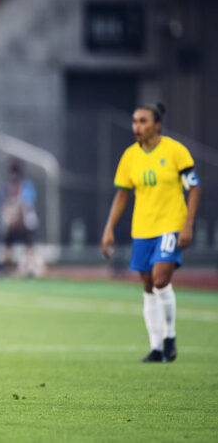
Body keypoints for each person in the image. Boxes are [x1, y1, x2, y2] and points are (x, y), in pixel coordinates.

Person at [102, 103, 201, 363]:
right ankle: (156, 347)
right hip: (142, 228)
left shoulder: (176, 151)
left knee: (159, 280)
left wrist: (188, 225)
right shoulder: (129, 156)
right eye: (135, 121)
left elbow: (194, 188)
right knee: (147, 285)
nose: (137, 126)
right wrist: (109, 228)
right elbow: (122, 194)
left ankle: (170, 336)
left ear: (157, 125)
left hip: (171, 225)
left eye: (143, 121)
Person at [0, 160, 44, 277]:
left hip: (24, 222)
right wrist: (8, 217)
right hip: (12, 222)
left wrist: (16, 216)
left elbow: (27, 205)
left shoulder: (26, 185)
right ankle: (6, 266)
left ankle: (33, 267)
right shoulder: (8, 186)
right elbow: (3, 204)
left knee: (29, 245)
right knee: (8, 243)